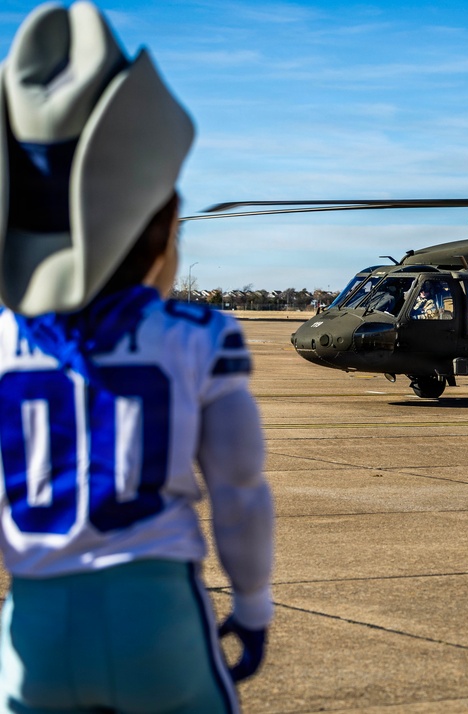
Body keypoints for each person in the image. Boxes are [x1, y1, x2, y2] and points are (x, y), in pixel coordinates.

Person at [0, 3, 274, 711]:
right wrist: (253, 604)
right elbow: (240, 491)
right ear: (159, 222)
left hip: (33, 622)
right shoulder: (198, 334)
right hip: (159, 620)